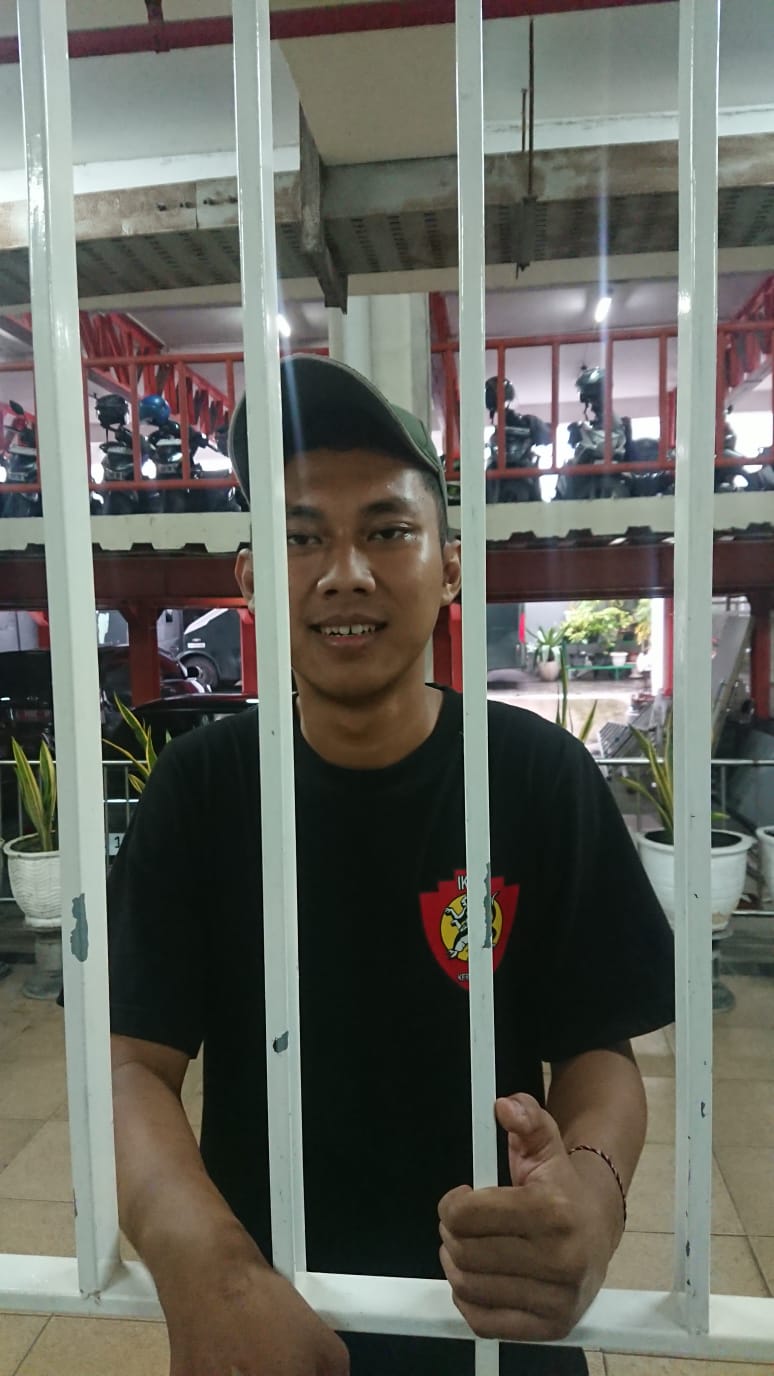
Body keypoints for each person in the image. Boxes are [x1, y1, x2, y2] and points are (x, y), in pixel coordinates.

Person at [108, 354, 675, 1376]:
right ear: (251, 579)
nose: (345, 573)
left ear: (450, 566)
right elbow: (130, 1068)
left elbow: (600, 1054)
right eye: (302, 538)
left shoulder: (536, 777)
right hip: (274, 1317)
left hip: (501, 1321)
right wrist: (209, 1268)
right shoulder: (202, 791)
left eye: (386, 530)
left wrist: (592, 1193)